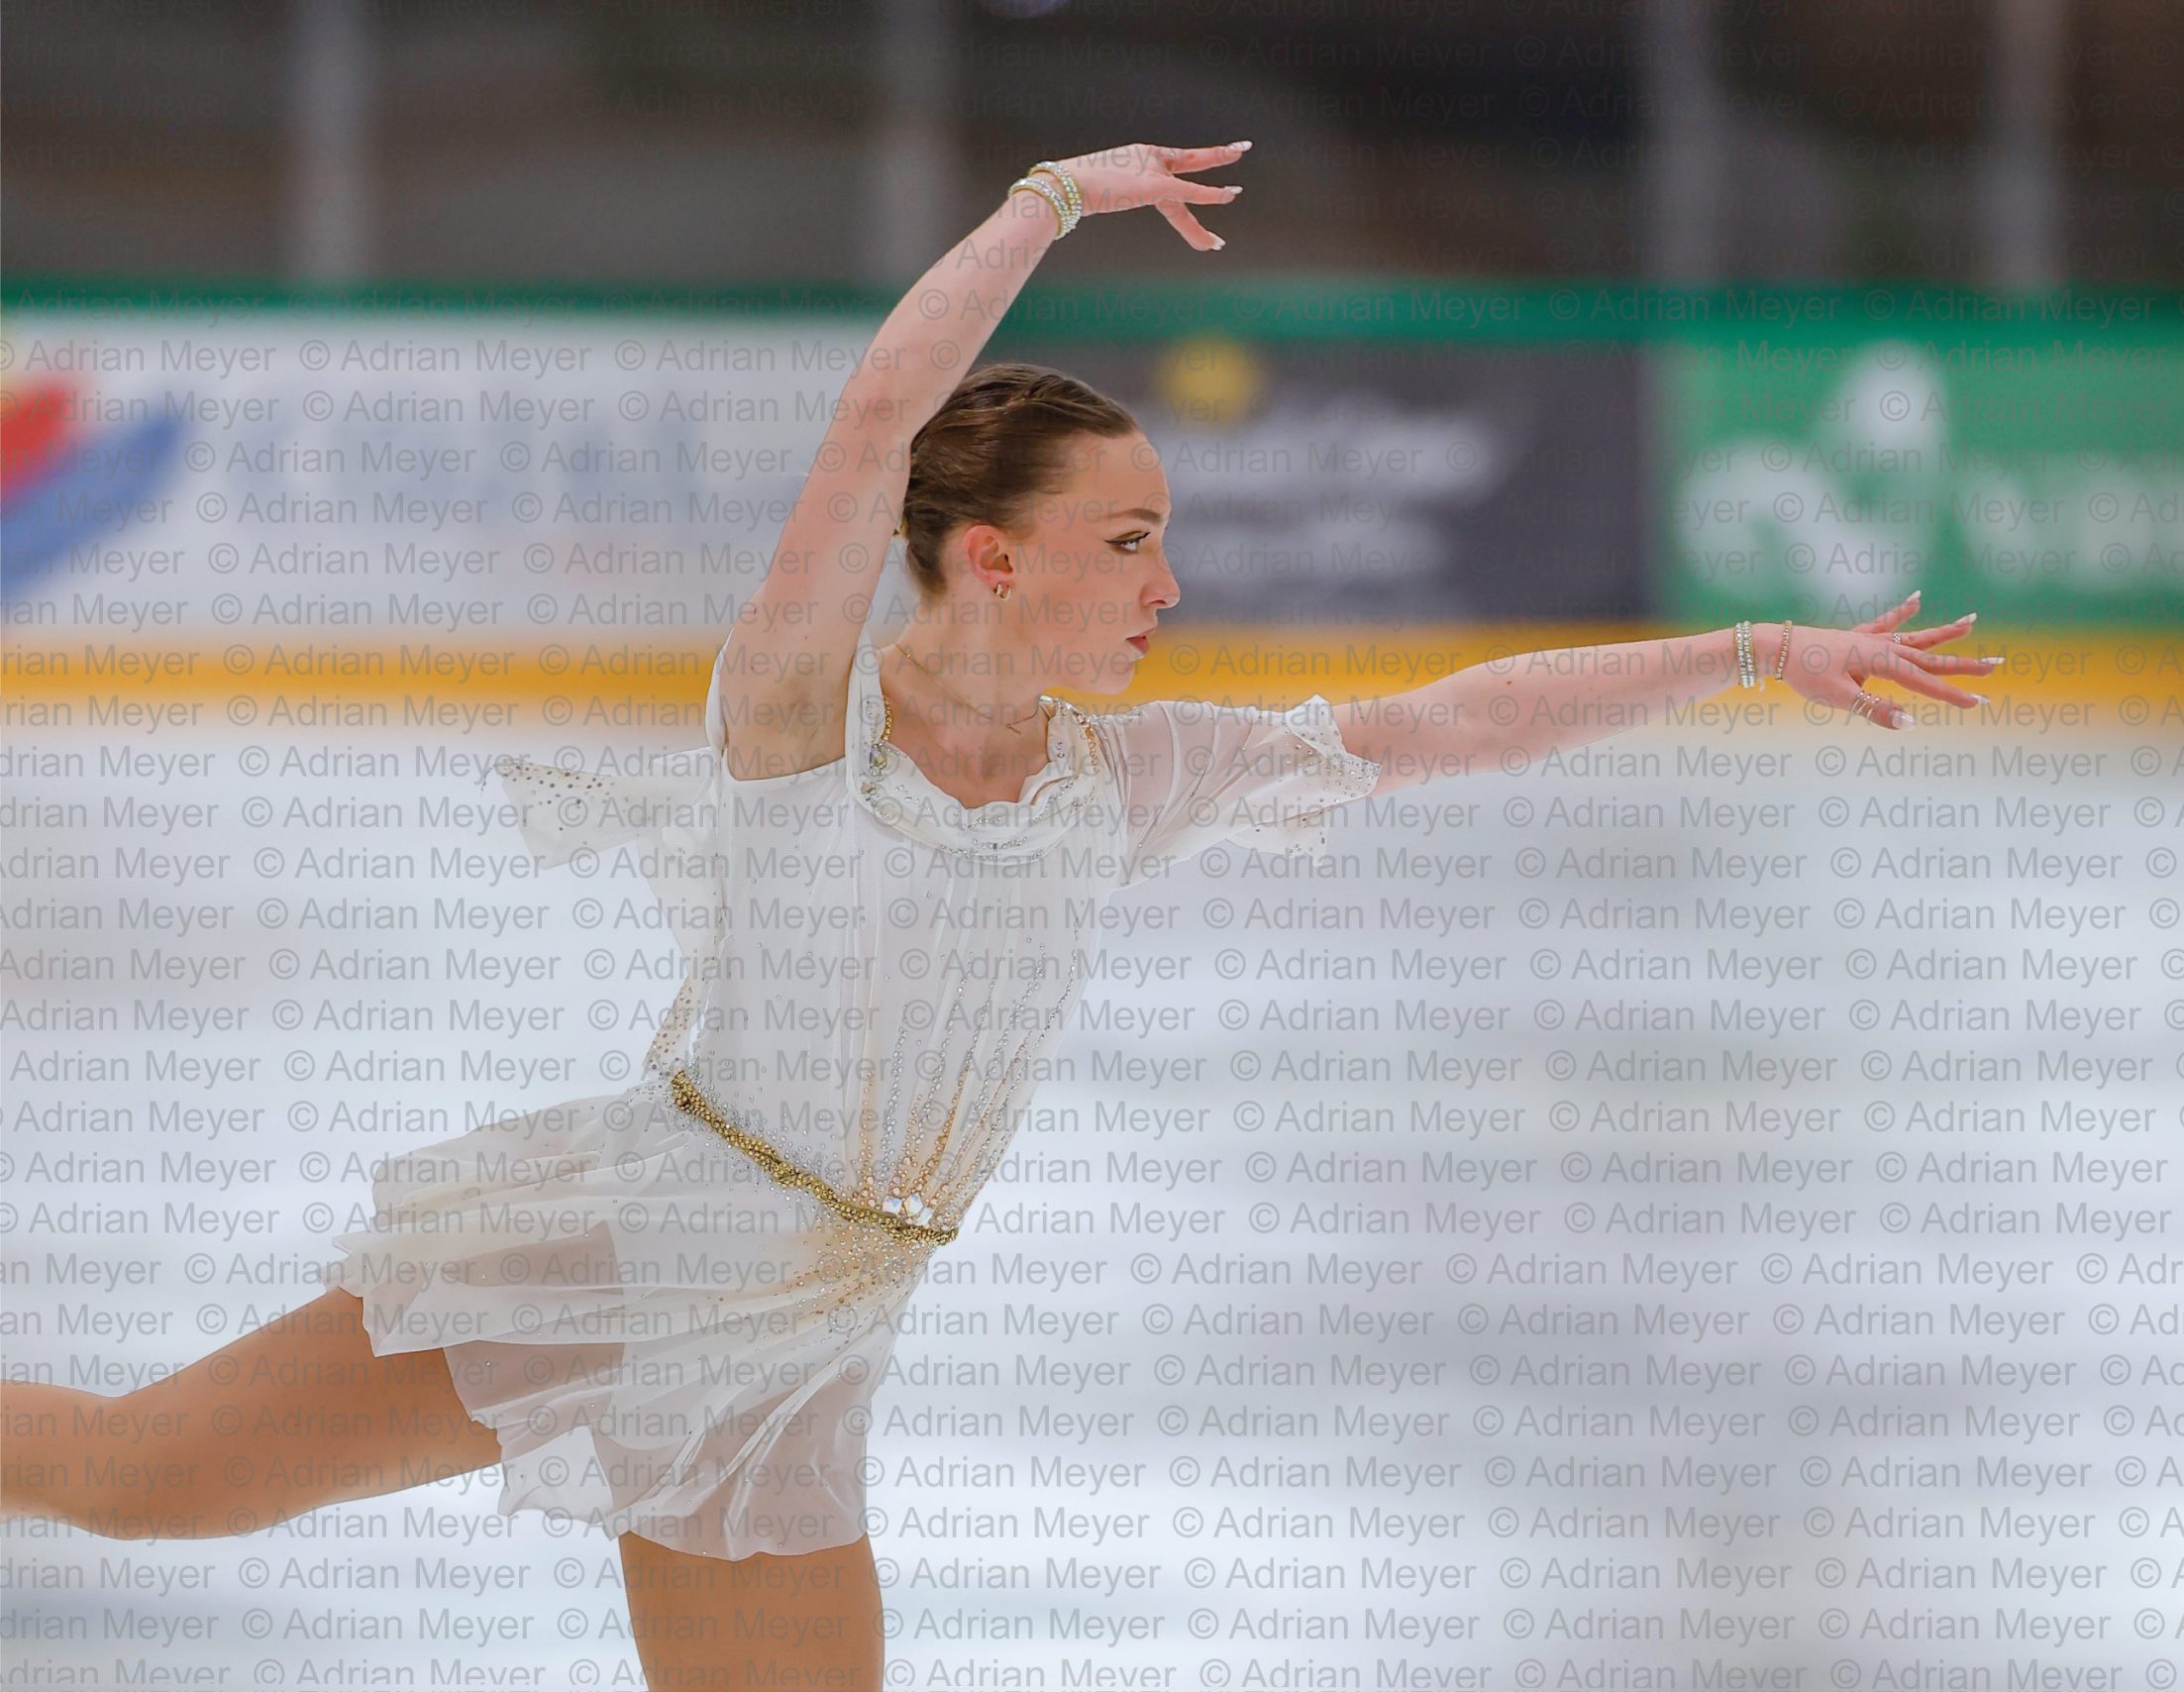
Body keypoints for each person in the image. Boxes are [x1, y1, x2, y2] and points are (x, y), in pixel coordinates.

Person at [0, 143, 1998, 1687]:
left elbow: (1452, 724)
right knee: (128, 1481)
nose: (1166, 583)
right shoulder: (801, 724)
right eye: (1125, 541)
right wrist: (1048, 202)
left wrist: (1743, 645)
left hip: (803, 1340)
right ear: (984, 556)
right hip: (617, 1250)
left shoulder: (1114, 788)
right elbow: (869, 423)